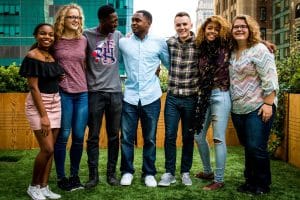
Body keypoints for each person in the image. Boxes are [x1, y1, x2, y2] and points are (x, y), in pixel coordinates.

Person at [119, 10, 170, 187]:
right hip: (130, 98)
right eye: (132, 20)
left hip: (151, 97)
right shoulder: (123, 43)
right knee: (126, 138)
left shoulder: (159, 42)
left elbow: (169, 63)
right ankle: (127, 171)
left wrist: (158, 69)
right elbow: (114, 63)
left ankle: (149, 173)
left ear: (148, 23)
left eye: (137, 20)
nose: (133, 23)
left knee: (150, 138)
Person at [229, 14, 279, 195]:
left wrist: (268, 103)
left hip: (258, 106)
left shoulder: (259, 49)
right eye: (236, 27)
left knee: (257, 146)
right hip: (238, 109)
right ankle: (250, 181)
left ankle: (262, 185)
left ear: (251, 29)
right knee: (249, 147)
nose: (240, 29)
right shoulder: (232, 51)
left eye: (243, 26)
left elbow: (270, 78)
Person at [19, 23, 63, 200]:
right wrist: (44, 116)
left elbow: (51, 76)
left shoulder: (50, 56)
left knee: (51, 151)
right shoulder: (32, 56)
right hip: (39, 105)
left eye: (51, 35)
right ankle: (33, 186)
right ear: (36, 35)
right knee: (47, 148)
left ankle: (44, 187)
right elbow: (34, 88)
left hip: (56, 103)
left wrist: (58, 76)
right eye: (43, 34)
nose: (47, 37)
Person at [83, 5, 123, 188]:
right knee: (93, 136)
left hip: (115, 93)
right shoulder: (87, 36)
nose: (116, 23)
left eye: (116, 20)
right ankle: (93, 176)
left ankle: (111, 174)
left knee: (114, 135)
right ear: (102, 20)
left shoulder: (119, 36)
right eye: (112, 20)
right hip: (95, 94)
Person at [157, 12, 199, 187]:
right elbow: (152, 48)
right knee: (170, 136)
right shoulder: (170, 43)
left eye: (184, 24)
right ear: (175, 26)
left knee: (188, 137)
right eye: (178, 25)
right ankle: (169, 173)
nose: (181, 27)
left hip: (191, 98)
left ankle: (185, 172)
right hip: (173, 98)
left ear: (190, 25)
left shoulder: (200, 44)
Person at [193, 15, 232, 190]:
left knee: (218, 138)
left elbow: (248, 42)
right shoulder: (199, 48)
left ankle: (219, 179)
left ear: (222, 31)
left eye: (217, 29)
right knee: (198, 136)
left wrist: (264, 43)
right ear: (204, 29)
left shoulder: (227, 46)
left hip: (220, 95)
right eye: (210, 28)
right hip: (204, 96)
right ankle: (207, 171)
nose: (213, 32)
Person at [53, 4, 88, 191]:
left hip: (83, 93)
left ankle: (74, 176)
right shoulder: (54, 40)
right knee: (63, 135)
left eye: (79, 18)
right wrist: (53, 73)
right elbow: (40, 58)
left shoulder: (83, 40)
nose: (76, 20)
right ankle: (61, 177)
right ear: (63, 19)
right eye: (72, 17)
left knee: (79, 136)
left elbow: (91, 63)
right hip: (63, 92)